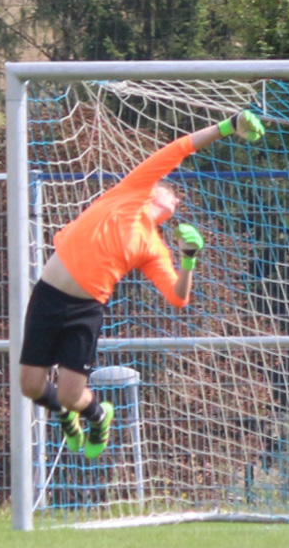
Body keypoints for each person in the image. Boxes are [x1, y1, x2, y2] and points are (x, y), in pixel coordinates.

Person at [19, 110, 265, 459]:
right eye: (172, 194)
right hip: (47, 295)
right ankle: (64, 415)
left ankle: (97, 415)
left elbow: (178, 298)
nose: (177, 200)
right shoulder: (132, 191)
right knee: (30, 386)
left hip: (84, 310)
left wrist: (189, 259)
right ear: (155, 191)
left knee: (74, 394)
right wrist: (229, 126)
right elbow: (180, 148)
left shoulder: (154, 247)